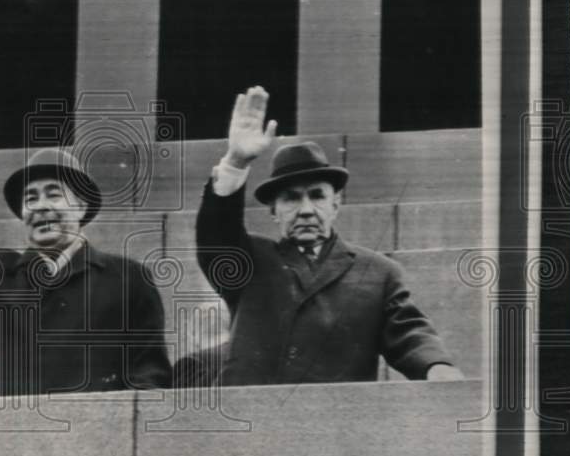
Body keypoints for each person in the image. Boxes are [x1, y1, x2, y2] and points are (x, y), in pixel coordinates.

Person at [195, 86, 464, 386]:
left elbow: (409, 333)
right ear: (274, 210)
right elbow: (215, 234)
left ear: (335, 204)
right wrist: (235, 162)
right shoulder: (250, 259)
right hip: (254, 422)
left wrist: (436, 366)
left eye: (317, 196)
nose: (306, 209)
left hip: (334, 424)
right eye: (292, 198)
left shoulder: (378, 273)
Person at [0, 141, 172, 398]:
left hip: (87, 436)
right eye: (30, 198)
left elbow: (148, 371)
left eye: (54, 194)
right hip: (0, 435)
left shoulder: (127, 278)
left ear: (81, 206)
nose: (40, 205)